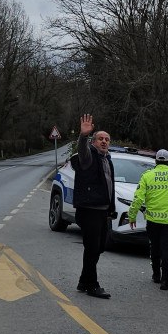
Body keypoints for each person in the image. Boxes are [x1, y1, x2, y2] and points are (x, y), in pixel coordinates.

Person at [127, 149, 168, 290]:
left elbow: (138, 199)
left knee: (154, 247)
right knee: (167, 249)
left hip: (153, 220)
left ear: (156, 161)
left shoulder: (147, 176)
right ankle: (165, 281)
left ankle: (156, 275)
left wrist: (132, 215)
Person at [73, 114, 115, 299]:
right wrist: (83, 136)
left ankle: (84, 280)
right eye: (100, 139)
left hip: (103, 211)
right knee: (92, 248)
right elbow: (82, 151)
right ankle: (92, 284)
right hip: (90, 210)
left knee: (98, 247)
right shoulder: (89, 157)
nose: (104, 142)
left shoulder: (107, 160)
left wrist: (110, 210)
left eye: (107, 139)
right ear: (94, 141)